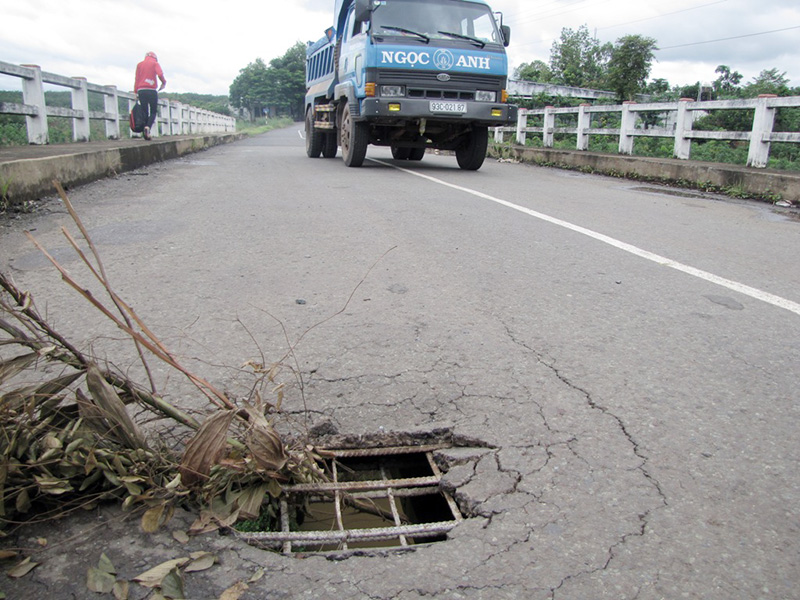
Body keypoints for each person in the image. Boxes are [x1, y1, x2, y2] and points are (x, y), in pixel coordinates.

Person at [134, 51, 166, 140]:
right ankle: (147, 127)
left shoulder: (139, 65)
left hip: (141, 90)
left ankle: (145, 130)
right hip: (151, 90)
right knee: (153, 111)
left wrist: (135, 92)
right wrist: (163, 82)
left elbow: (137, 79)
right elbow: (160, 74)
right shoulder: (155, 63)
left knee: (144, 111)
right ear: (155, 58)